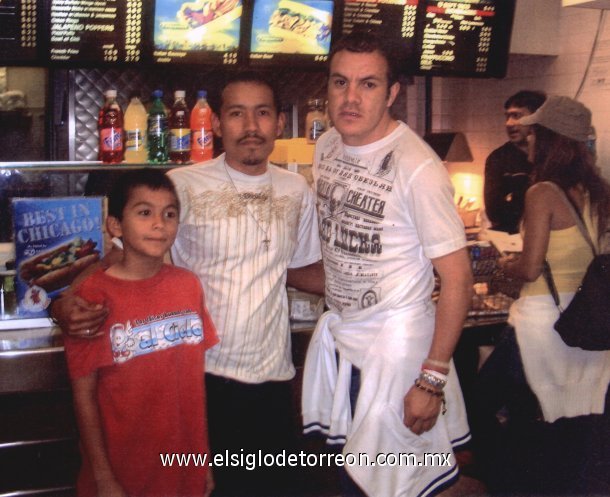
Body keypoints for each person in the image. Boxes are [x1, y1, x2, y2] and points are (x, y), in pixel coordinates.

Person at [53, 72, 324, 497]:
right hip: (202, 380)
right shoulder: (184, 185)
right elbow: (121, 257)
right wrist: (65, 301)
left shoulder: (296, 190)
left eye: (262, 113)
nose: (250, 127)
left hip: (274, 377)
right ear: (215, 124)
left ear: (278, 124)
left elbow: (297, 267)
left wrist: (383, 286)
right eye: (236, 114)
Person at [302, 32, 473, 497]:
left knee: (391, 485)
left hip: (397, 355)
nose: (351, 98)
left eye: (369, 84)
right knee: (352, 479)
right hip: (345, 343)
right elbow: (339, 255)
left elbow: (458, 279)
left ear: (393, 92)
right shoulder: (328, 148)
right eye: (340, 82)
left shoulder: (417, 167)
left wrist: (432, 380)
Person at [63, 169, 219, 497]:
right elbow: (84, 395)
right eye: (145, 213)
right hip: (122, 474)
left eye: (170, 214)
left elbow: (193, 384)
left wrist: (202, 461)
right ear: (116, 225)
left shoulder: (188, 285)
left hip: (182, 470)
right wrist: (103, 478)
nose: (159, 224)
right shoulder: (93, 297)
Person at [498, 95, 610, 494]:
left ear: (550, 141)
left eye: (532, 135)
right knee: (578, 426)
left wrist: (501, 267)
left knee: (486, 398)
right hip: (590, 324)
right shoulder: (600, 191)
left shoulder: (542, 193)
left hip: (544, 323)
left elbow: (529, 268)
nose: (526, 141)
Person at [484, 90, 546, 233]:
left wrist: (513, 198)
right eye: (507, 116)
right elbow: (494, 212)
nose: (509, 123)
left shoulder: (553, 156)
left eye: (516, 116)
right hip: (511, 239)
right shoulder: (498, 158)